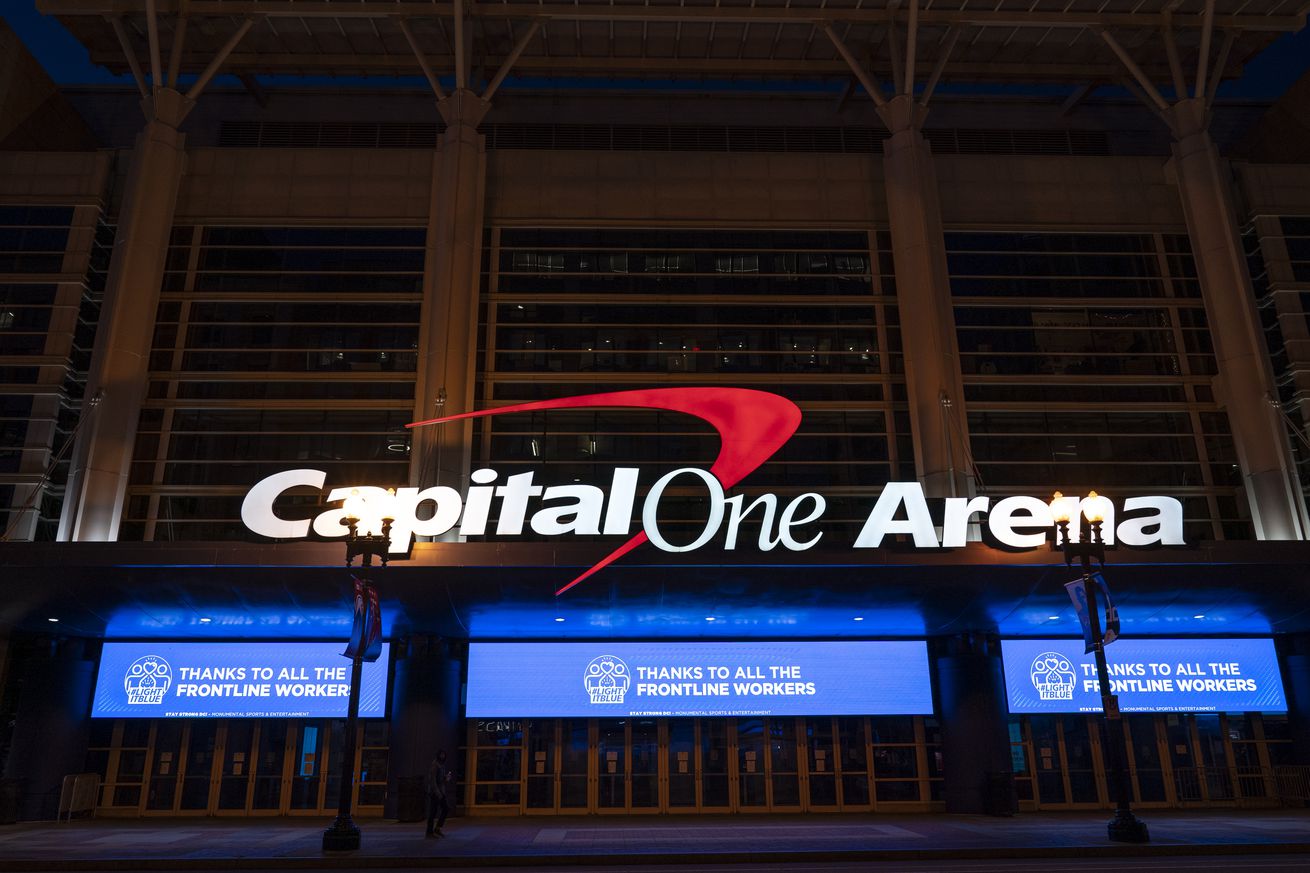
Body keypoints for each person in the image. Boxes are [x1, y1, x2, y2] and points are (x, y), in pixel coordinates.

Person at [425, 750, 452, 837]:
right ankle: (429, 832)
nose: (442, 756)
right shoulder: (435, 765)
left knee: (445, 809)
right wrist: (438, 794)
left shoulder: (442, 765)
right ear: (438, 755)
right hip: (435, 793)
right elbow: (432, 781)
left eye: (444, 755)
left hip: (441, 791)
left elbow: (440, 779)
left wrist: (446, 778)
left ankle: (437, 828)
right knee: (433, 812)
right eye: (441, 755)